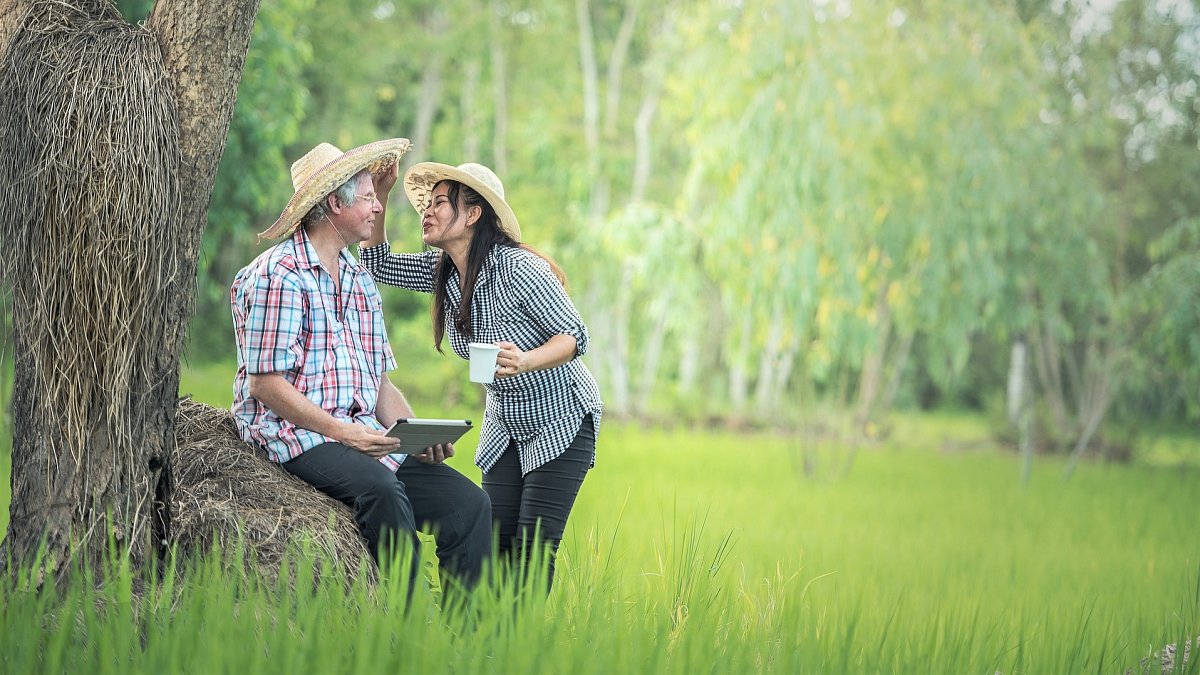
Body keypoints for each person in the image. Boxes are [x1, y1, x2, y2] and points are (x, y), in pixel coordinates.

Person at [230, 139, 491, 592]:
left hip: (359, 433)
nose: (377, 207)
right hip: (298, 434)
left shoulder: (357, 279)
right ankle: (404, 632)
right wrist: (340, 430)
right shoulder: (281, 275)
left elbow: (379, 382)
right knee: (382, 493)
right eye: (370, 196)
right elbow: (265, 385)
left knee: (468, 505)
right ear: (335, 203)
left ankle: (464, 645)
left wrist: (415, 433)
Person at [359, 161, 602, 591]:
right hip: (505, 422)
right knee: (491, 545)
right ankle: (485, 648)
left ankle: (520, 650)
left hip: (560, 419)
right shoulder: (445, 272)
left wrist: (525, 360)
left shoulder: (517, 268)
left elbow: (574, 336)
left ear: (472, 214)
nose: (426, 213)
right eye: (426, 205)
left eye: (438, 203)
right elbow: (377, 266)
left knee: (531, 552)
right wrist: (380, 195)